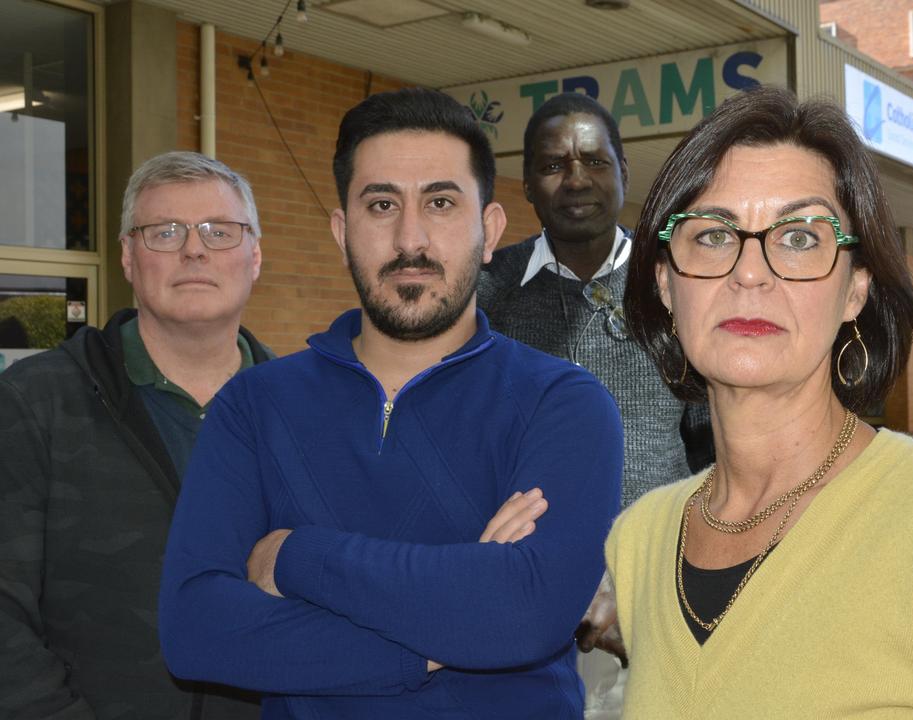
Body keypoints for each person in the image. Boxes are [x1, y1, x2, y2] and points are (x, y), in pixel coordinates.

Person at [604, 86, 913, 718]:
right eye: (712, 235)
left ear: (854, 292)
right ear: (666, 283)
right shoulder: (640, 540)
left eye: (798, 238)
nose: (749, 272)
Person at [158, 87, 623, 719]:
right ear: (342, 230)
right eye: (382, 204)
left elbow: (522, 619)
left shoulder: (562, 404)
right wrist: (441, 636)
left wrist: (295, 555)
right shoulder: (255, 405)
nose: (410, 239)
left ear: (488, 231)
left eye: (439, 202)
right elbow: (197, 632)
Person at [0, 151, 271, 719]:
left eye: (220, 231)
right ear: (127, 256)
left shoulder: (308, 414)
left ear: (255, 257)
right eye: (164, 231)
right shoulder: (34, 402)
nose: (193, 249)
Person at [478, 92, 712, 506]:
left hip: (659, 557)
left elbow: (711, 443)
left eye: (595, 162)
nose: (577, 180)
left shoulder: (680, 282)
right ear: (528, 185)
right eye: (553, 166)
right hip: (529, 559)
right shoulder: (488, 290)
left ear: (623, 171)